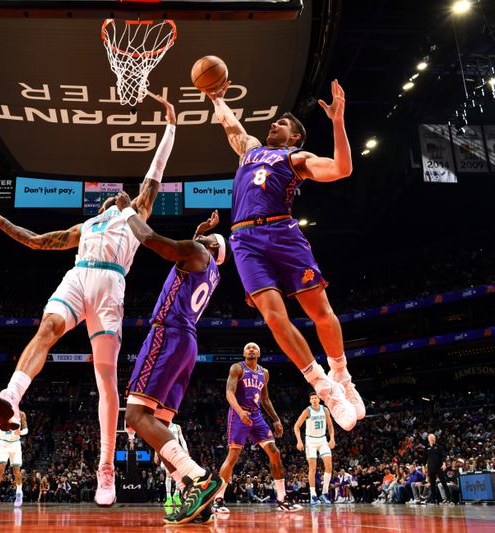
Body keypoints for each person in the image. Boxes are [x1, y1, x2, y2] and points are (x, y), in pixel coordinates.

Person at [0, 95, 176, 507]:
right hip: (78, 277)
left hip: (111, 287)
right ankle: (12, 394)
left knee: (106, 380)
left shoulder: (134, 215)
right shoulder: (86, 225)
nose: (114, 195)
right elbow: (39, 241)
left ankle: (105, 468)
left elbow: (154, 174)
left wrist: (169, 129)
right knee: (46, 328)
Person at [206, 80, 363, 430]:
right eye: (275, 122)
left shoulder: (296, 158)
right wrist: (217, 99)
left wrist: (337, 122)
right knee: (274, 318)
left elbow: (341, 169)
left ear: (295, 137)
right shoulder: (249, 149)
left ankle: (342, 376)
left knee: (319, 312)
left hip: (282, 232)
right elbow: (232, 126)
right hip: (245, 239)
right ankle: (323, 385)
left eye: (283, 124)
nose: (274, 124)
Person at [118, 201, 227, 525]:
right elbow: (191, 249)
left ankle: (199, 478)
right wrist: (202, 232)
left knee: (136, 416)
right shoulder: (211, 270)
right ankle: (193, 494)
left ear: (208, 246)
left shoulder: (196, 253)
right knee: (159, 427)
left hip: (168, 335)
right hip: (186, 344)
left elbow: (153, 240)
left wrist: (128, 212)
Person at [211, 342, 301, 515]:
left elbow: (265, 399)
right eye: (248, 347)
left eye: (254, 347)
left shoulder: (264, 373)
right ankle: (218, 499)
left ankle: (282, 499)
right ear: (244, 353)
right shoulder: (237, 368)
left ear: (259, 353)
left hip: (257, 415)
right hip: (238, 415)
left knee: (274, 452)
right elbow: (229, 393)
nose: (251, 349)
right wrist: (240, 411)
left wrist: (276, 420)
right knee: (233, 456)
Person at [293, 391, 336, 505]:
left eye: (315, 398)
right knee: (312, 468)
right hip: (310, 441)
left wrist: (332, 439)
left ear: (319, 399)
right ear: (310, 401)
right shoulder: (307, 411)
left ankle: (324, 493)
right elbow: (296, 426)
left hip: (322, 439)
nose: (314, 400)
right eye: (312, 398)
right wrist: (299, 441)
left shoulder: (325, 410)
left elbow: (330, 425)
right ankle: (313, 495)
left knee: (329, 466)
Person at [0, 411, 28, 507]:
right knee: (0, 469)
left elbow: (26, 429)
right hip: (3, 444)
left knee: (17, 472)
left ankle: (19, 493)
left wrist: (21, 432)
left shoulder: (21, 414)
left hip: (15, 444)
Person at [422, 433, 449, 504]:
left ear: (435, 439)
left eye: (432, 438)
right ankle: (433, 500)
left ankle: (450, 499)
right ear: (428, 439)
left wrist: (444, 464)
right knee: (432, 485)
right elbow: (424, 459)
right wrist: (423, 468)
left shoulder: (439, 447)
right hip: (430, 468)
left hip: (439, 467)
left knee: (444, 483)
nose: (431, 439)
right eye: (430, 438)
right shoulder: (426, 448)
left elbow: (443, 456)